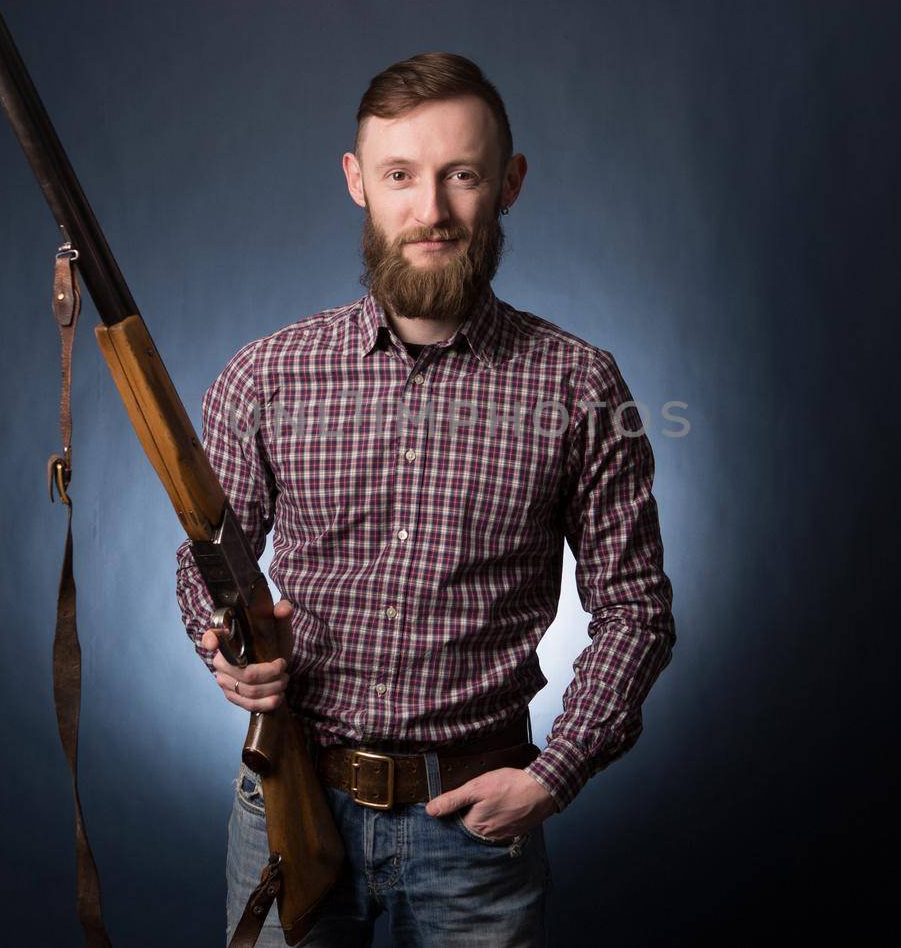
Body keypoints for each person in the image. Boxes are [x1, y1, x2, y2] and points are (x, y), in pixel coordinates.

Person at [176, 52, 676, 946]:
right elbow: (208, 558)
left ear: (510, 184)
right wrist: (223, 640)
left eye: (463, 175)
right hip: (288, 799)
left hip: (477, 831)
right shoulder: (264, 375)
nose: (431, 209)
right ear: (356, 181)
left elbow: (637, 612)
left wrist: (553, 774)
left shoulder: (583, 386)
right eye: (401, 175)